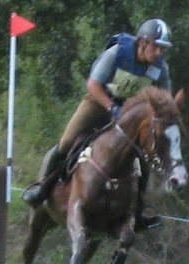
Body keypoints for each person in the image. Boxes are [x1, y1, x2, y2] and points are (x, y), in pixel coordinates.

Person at [21, 18, 173, 230]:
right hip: (98, 103)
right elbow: (93, 84)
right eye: (156, 46)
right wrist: (112, 108)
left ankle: (138, 211)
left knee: (143, 158)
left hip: (128, 117)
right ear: (142, 42)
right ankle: (43, 189)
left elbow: (165, 100)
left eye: (163, 49)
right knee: (66, 142)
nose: (158, 53)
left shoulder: (160, 69)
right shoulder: (117, 54)